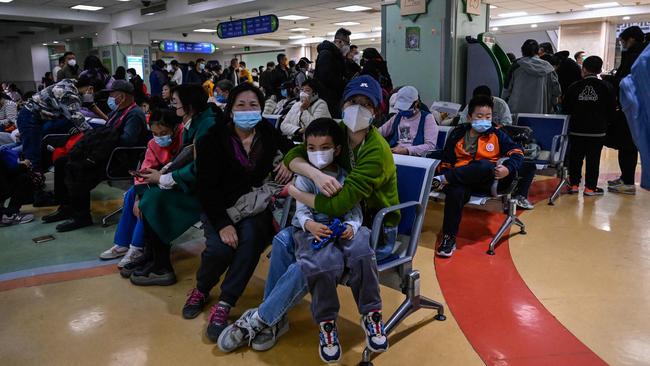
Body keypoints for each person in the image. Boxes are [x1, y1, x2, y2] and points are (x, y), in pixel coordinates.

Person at [216, 75, 400, 354]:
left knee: (307, 264)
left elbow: (341, 206)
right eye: (352, 101)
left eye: (366, 104)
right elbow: (293, 156)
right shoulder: (336, 132)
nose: (357, 109)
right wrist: (313, 173)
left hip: (370, 223)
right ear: (342, 103)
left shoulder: (376, 151)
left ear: (376, 111)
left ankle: (262, 319)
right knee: (282, 241)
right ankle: (276, 320)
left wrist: (297, 193)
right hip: (321, 218)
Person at [181, 83, 294, 342]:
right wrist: (222, 224)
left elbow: (293, 148)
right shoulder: (212, 139)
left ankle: (225, 303)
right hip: (220, 207)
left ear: (261, 108)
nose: (247, 110)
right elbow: (206, 188)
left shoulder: (266, 131)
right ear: (230, 109)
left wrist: (288, 161)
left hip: (253, 207)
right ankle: (201, 288)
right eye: (240, 105)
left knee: (252, 240)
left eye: (253, 105)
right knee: (221, 249)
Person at [287, 118, 387, 362]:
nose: (318, 154)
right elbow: (301, 211)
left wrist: (352, 227)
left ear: (337, 150)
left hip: (343, 225)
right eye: (311, 148)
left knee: (362, 251)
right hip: (313, 228)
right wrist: (310, 225)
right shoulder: (305, 179)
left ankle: (372, 313)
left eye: (325, 147)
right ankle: (327, 323)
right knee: (322, 264)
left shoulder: (345, 176)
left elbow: (353, 210)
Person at [126, 84, 217, 284]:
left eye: (176, 103)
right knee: (144, 193)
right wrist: (163, 174)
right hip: (190, 181)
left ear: (189, 105)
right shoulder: (196, 121)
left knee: (153, 199)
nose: (174, 107)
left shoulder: (208, 125)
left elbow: (200, 168)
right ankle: (152, 255)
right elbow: (184, 159)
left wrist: (164, 178)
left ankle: (162, 266)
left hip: (206, 189)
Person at [43, 80, 147, 232]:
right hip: (105, 154)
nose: (110, 98)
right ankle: (66, 206)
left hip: (118, 159)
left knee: (78, 168)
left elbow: (127, 141)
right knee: (62, 162)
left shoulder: (134, 114)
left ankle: (82, 216)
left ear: (123, 96)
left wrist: (106, 136)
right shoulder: (117, 111)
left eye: (112, 94)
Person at [434, 95, 524, 258]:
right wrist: (445, 172)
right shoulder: (458, 133)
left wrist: (507, 169)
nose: (484, 120)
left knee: (484, 165)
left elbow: (517, 153)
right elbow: (447, 160)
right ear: (470, 117)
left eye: (488, 117)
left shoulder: (497, 134)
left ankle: (440, 181)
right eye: (479, 116)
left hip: (487, 180)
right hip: (461, 180)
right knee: (456, 192)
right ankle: (449, 238)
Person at [99, 109, 184, 267]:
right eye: (155, 133)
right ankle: (123, 243)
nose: (159, 137)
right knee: (132, 193)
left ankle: (137, 247)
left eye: (163, 132)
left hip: (176, 183)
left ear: (175, 128)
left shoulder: (184, 139)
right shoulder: (152, 144)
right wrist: (138, 197)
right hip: (157, 180)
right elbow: (144, 170)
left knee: (148, 200)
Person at [563, 56, 616, 196]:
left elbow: (566, 108)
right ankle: (590, 188)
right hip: (597, 131)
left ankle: (573, 185)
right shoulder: (607, 87)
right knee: (593, 159)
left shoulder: (574, 87)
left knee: (575, 158)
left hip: (576, 130)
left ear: (583, 69)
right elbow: (611, 109)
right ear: (599, 70)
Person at [15, 79, 90, 172]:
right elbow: (77, 118)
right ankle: (33, 180)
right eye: (91, 89)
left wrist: (106, 119)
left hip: (39, 118)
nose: (91, 92)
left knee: (33, 148)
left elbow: (90, 105)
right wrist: (93, 134)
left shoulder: (72, 83)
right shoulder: (67, 93)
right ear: (88, 87)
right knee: (32, 155)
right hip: (30, 117)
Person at [607, 26, 647, 195]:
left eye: (623, 41)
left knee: (627, 145)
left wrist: (611, 80)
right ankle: (626, 178)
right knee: (629, 145)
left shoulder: (635, 57)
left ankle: (628, 182)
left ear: (631, 39)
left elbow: (627, 83)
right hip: (639, 108)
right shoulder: (642, 55)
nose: (622, 44)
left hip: (631, 109)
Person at [502, 39, 561, 114]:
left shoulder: (516, 66)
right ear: (538, 51)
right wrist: (554, 105)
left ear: (522, 51)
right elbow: (556, 91)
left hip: (516, 112)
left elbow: (506, 89)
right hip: (541, 112)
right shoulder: (548, 67)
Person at [378, 86, 438, 157]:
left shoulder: (427, 118)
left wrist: (406, 150)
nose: (402, 111)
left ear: (416, 104)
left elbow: (430, 146)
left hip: (417, 159)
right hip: (396, 155)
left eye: (405, 107)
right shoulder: (399, 117)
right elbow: (380, 132)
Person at [315, 28, 351, 118]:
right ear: (339, 42)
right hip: (328, 98)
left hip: (335, 97)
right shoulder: (326, 54)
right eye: (347, 43)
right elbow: (326, 77)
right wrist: (343, 82)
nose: (348, 46)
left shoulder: (337, 55)